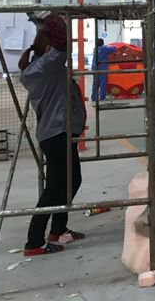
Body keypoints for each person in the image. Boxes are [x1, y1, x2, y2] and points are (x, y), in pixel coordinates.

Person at [19, 13, 86, 256]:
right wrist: (50, 19)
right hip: (56, 133)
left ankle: (58, 229)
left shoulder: (43, 65)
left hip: (60, 131)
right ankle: (34, 242)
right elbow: (62, 43)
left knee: (70, 181)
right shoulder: (44, 65)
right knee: (56, 186)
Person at [92, 38, 116, 103]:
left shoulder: (95, 49)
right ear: (102, 43)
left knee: (95, 83)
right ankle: (102, 97)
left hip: (94, 67)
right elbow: (114, 49)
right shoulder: (104, 48)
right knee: (103, 82)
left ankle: (93, 98)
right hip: (101, 68)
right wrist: (111, 46)